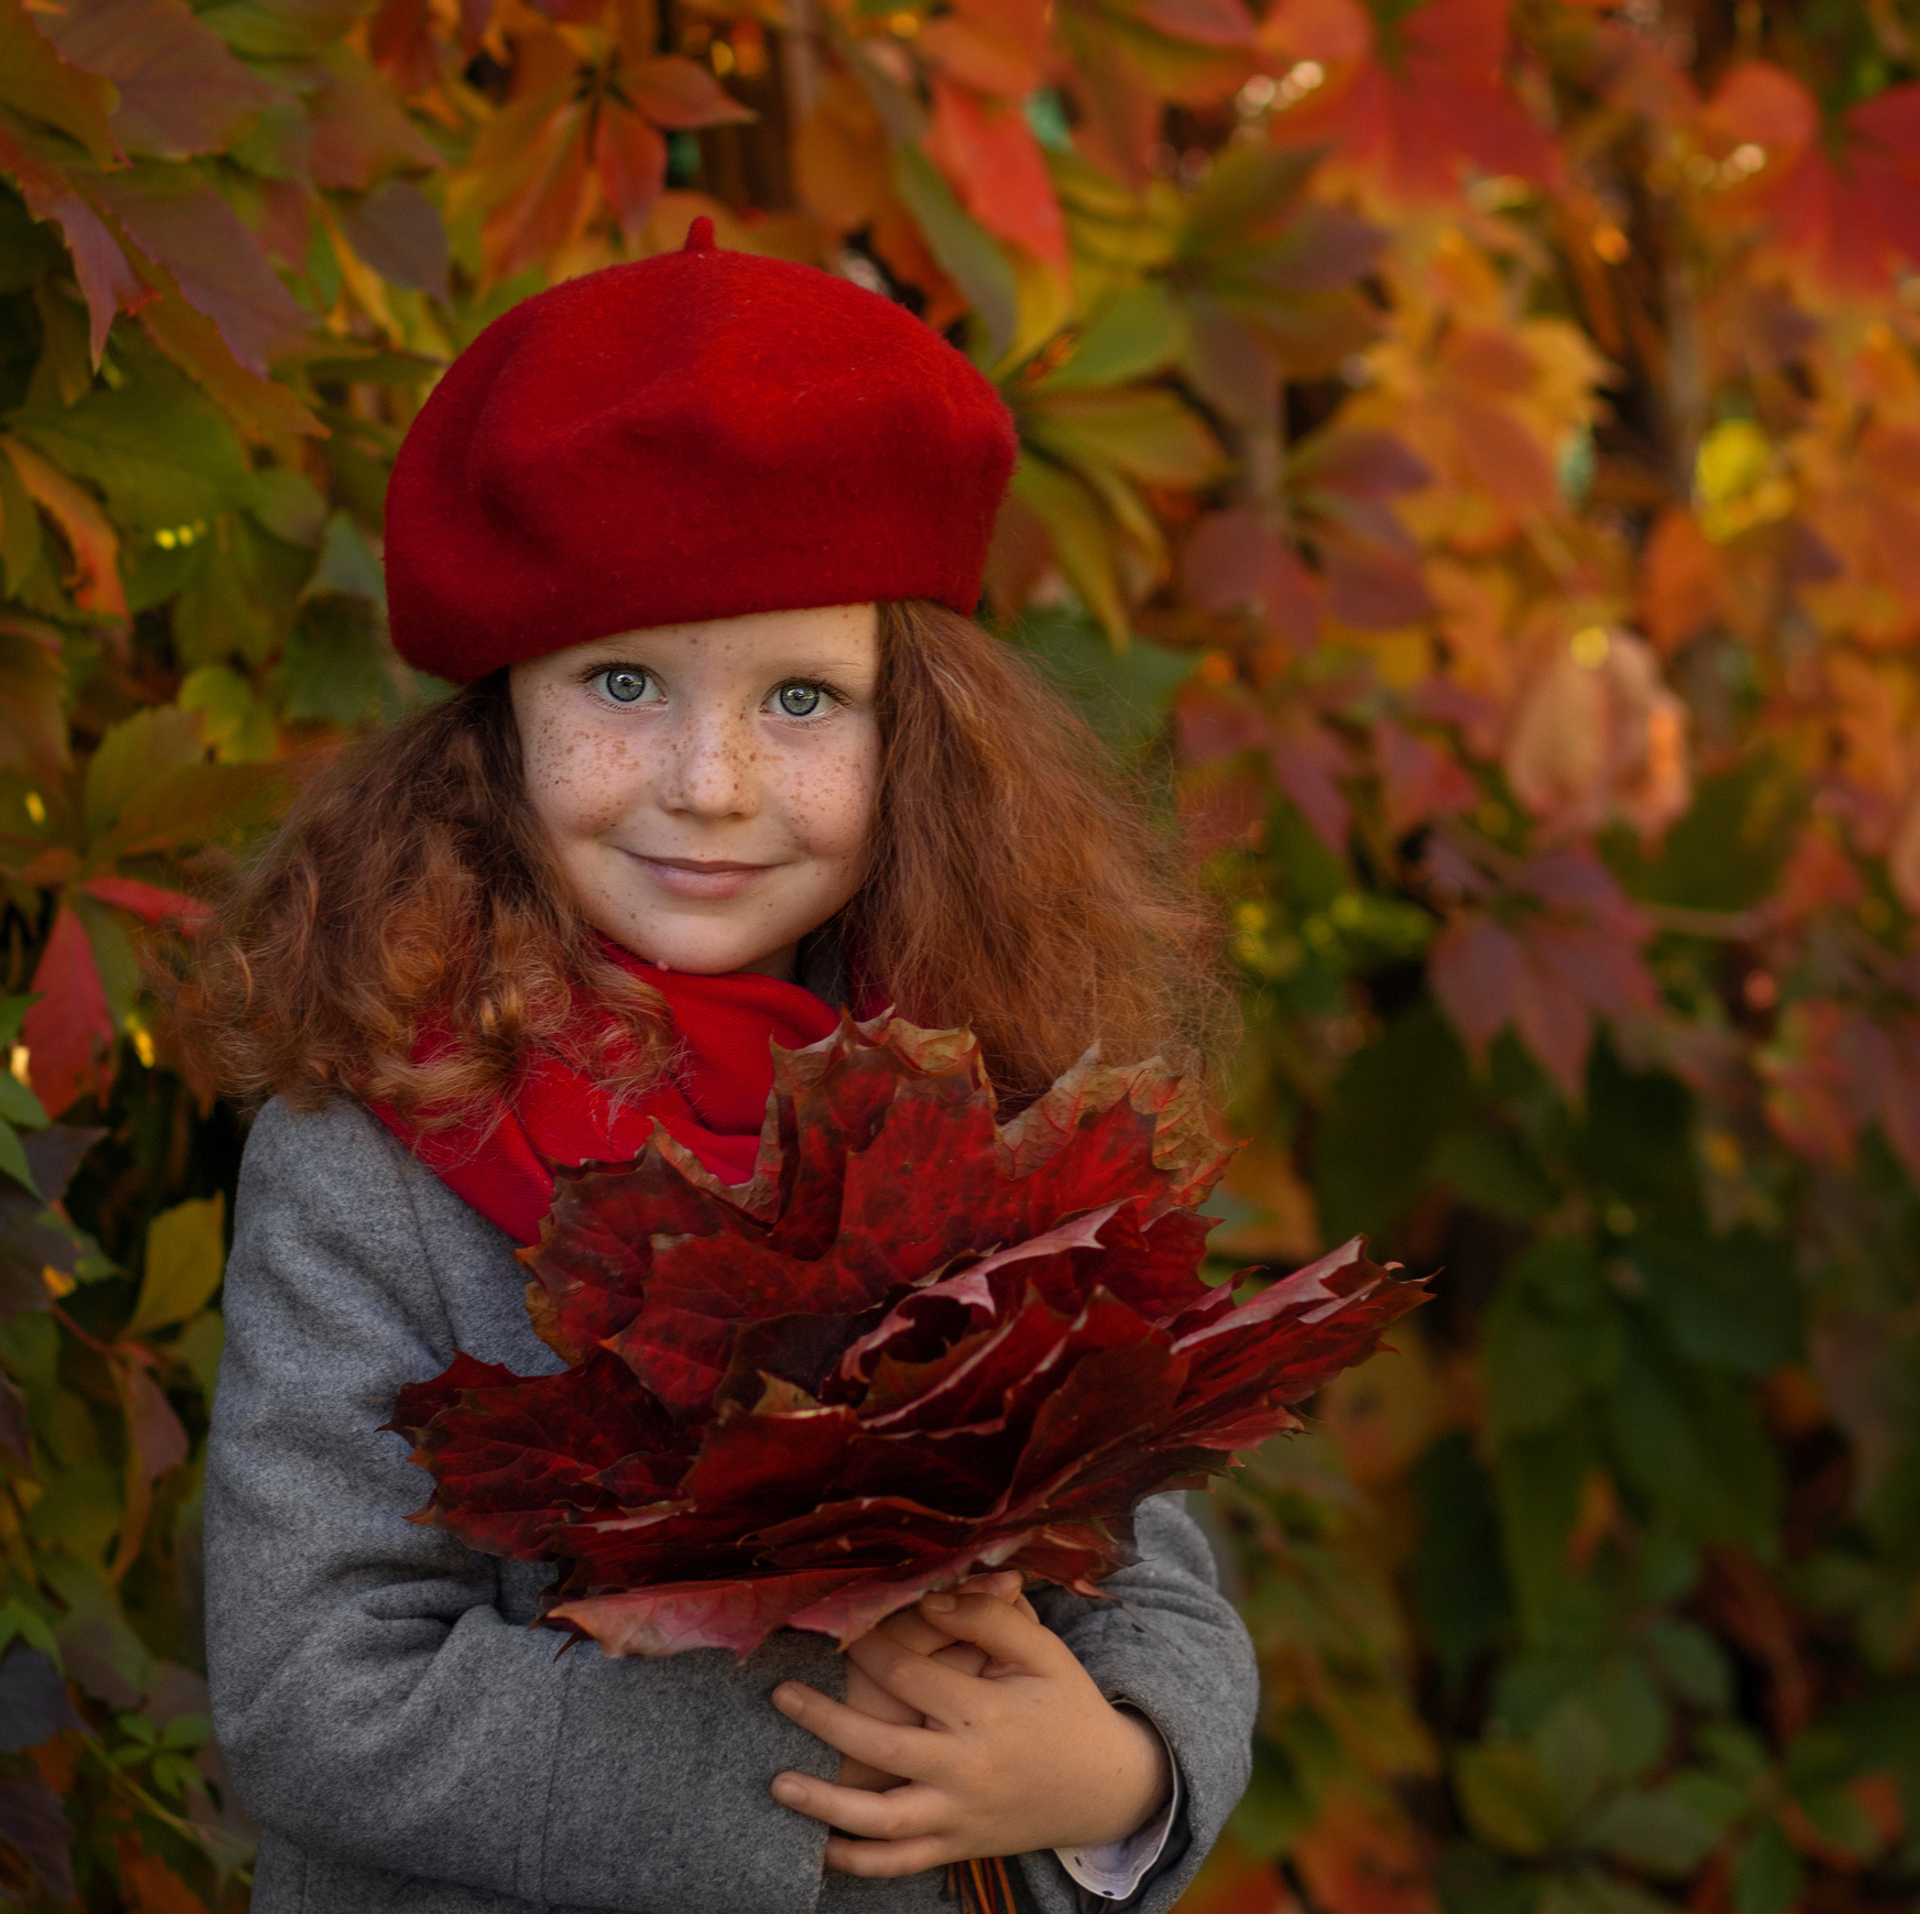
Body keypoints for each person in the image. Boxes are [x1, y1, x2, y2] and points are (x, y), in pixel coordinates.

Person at [186, 219, 1257, 1914]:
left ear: (926, 740)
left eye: (803, 700)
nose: (709, 780)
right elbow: (316, 1686)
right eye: (625, 682)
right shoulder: (379, 1145)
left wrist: (1114, 1769)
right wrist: (823, 1756)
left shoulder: (993, 1100)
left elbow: (1147, 1573)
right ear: (498, 721)